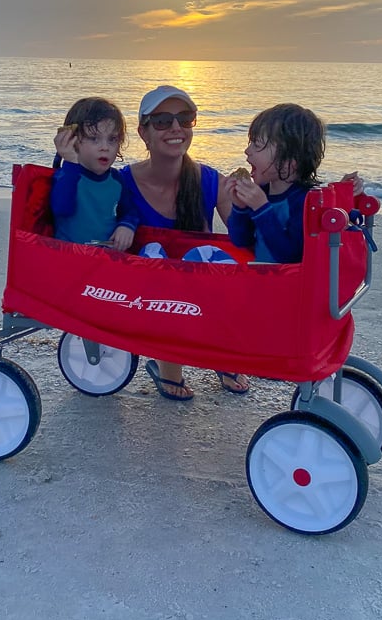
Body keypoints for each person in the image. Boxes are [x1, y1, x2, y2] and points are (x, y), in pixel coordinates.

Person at [119, 85, 250, 401]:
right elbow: (86, 205)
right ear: (143, 132)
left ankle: (222, 356)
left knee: (219, 267)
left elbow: (243, 238)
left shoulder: (208, 180)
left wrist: (246, 201)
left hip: (201, 292)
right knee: (162, 269)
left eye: (185, 118)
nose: (176, 128)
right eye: (163, 120)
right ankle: (168, 369)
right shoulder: (122, 181)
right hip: (146, 295)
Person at [226, 103, 361, 263]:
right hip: (263, 280)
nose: (247, 151)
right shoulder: (261, 192)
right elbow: (241, 241)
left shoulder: (306, 201)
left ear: (289, 162)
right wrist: (239, 208)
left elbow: (290, 256)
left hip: (292, 285)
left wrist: (262, 209)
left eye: (257, 144)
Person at [50, 96, 139, 250]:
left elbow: (129, 210)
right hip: (69, 258)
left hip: (104, 259)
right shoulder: (65, 176)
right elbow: (61, 208)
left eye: (112, 139)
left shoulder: (116, 179)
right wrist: (70, 162)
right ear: (73, 140)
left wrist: (126, 226)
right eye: (94, 138)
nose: (105, 147)